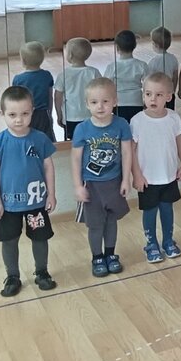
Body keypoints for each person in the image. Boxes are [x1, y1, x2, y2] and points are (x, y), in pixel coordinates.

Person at [0, 85, 58, 297]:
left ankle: (42, 272)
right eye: (12, 115)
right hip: (9, 204)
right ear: (2, 114)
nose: (19, 120)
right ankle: (12, 276)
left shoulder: (40, 139)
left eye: (25, 113)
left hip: (36, 203)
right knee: (9, 241)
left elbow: (48, 167)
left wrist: (51, 194)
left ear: (32, 111)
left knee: (40, 238)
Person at [72, 77, 133, 278]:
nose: (100, 106)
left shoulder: (121, 124)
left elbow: (127, 152)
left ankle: (110, 254)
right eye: (94, 102)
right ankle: (97, 257)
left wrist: (126, 179)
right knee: (96, 224)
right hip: (91, 185)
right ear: (87, 104)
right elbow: (76, 158)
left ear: (115, 101)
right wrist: (78, 185)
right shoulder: (82, 129)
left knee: (111, 220)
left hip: (114, 182)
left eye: (105, 101)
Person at [130, 72, 181, 263]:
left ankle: (168, 241)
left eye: (158, 95)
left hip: (169, 176)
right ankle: (151, 244)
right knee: (150, 211)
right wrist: (136, 175)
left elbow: (179, 142)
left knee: (167, 209)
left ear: (169, 97)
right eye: (148, 94)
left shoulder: (173, 118)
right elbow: (131, 151)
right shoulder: (137, 121)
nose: (152, 99)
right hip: (147, 179)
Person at [55, 37, 100, 141]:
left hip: (70, 117)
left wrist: (59, 114)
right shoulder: (94, 72)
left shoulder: (63, 74)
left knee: (72, 143)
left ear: (70, 55)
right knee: (91, 141)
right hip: (90, 115)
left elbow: (57, 97)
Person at [12, 41, 56, 141]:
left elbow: (16, 99)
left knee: (26, 137)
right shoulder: (46, 75)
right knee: (46, 139)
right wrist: (50, 112)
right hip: (43, 114)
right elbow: (50, 96)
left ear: (23, 60)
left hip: (25, 113)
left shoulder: (18, 79)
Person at [104, 30, 148, 122]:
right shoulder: (142, 65)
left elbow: (106, 85)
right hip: (136, 101)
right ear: (135, 46)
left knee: (121, 125)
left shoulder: (112, 66)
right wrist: (146, 99)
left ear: (117, 47)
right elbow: (148, 84)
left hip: (118, 102)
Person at [146, 26, 179, 110]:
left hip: (157, 94)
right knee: (169, 112)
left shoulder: (153, 61)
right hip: (169, 92)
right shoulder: (173, 58)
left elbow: (149, 80)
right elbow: (175, 77)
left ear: (155, 45)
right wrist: (173, 91)